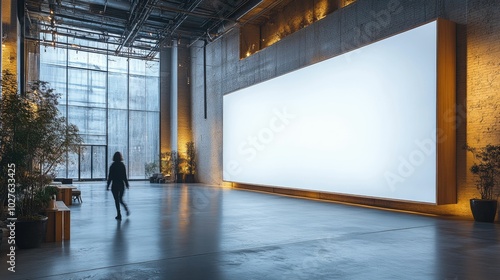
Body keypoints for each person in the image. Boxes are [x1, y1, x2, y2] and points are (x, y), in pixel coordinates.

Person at [107, 151, 130, 220]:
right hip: (121, 185)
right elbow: (124, 176)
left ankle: (119, 214)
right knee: (120, 199)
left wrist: (108, 185)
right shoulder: (122, 165)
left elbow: (110, 177)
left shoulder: (112, 166)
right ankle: (126, 209)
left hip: (114, 185)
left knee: (116, 200)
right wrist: (127, 184)